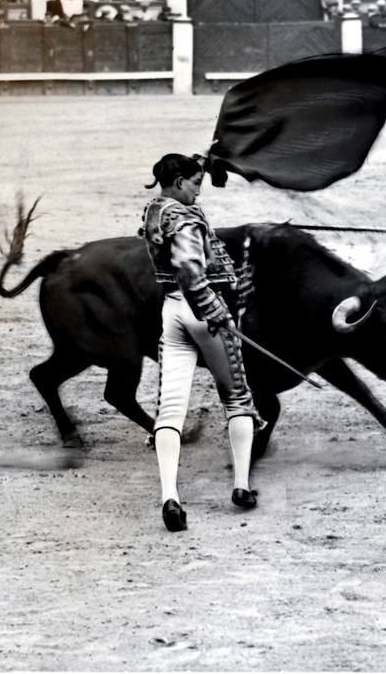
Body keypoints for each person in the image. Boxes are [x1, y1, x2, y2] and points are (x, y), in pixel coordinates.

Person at [139, 153, 263, 533]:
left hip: (170, 312)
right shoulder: (186, 219)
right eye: (195, 184)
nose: (198, 192)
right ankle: (242, 485)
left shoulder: (155, 210)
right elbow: (191, 270)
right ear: (178, 182)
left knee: (170, 409)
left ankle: (170, 496)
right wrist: (215, 310)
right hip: (200, 312)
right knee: (237, 397)